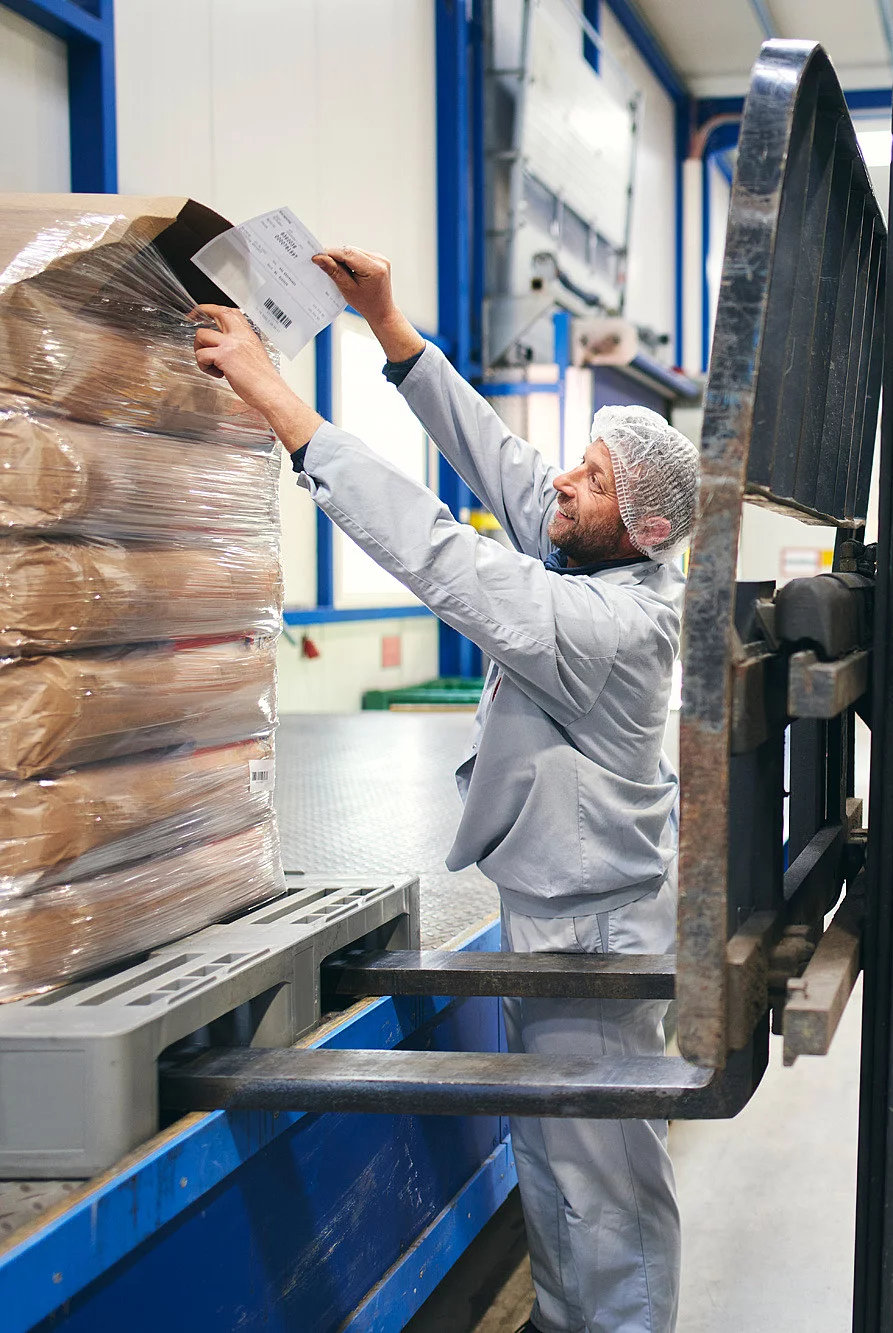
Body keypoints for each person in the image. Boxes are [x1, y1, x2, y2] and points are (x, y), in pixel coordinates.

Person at [193, 246, 698, 1333]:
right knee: (562, 1171)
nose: (565, 481)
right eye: (582, 462)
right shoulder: (594, 555)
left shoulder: (603, 622)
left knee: (600, 1186)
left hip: (593, 948)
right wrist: (391, 329)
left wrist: (282, 403)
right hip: (562, 917)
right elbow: (503, 463)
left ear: (642, 527)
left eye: (594, 479)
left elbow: (440, 556)